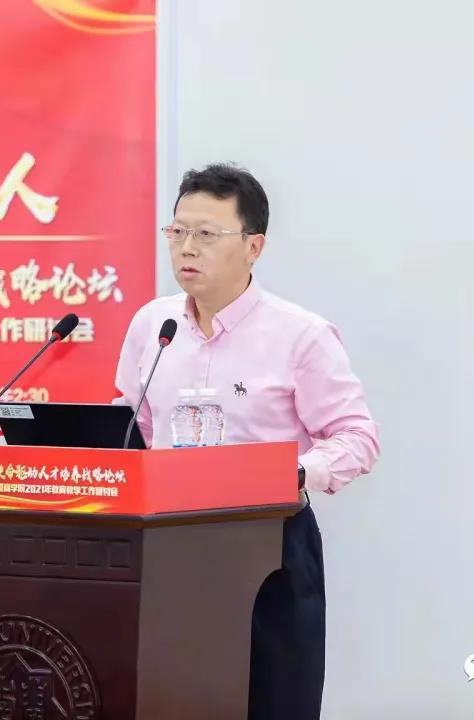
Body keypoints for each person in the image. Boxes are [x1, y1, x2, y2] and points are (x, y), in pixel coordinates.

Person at [112, 163, 380, 719]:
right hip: (166, 546)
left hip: (267, 545)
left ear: (253, 246)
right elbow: (134, 426)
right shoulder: (152, 325)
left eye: (207, 234)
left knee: (272, 702)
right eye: (178, 231)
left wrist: (293, 474)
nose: (187, 247)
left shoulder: (300, 335)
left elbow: (357, 437)